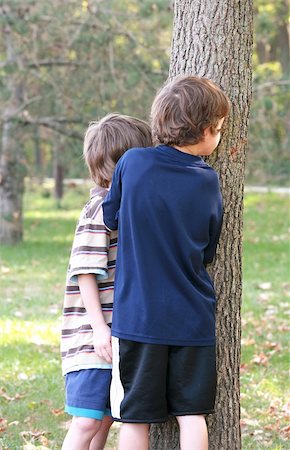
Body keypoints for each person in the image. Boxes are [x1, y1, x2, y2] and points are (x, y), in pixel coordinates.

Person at [102, 76, 231, 450]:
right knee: (192, 414)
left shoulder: (132, 162)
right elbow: (208, 249)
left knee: (135, 418)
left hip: (138, 320)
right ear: (206, 131)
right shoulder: (207, 180)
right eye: (219, 130)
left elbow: (111, 216)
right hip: (192, 319)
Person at [60, 113, 152, 450]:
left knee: (105, 419)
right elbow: (85, 273)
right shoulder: (98, 209)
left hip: (118, 337)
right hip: (90, 337)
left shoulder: (126, 207)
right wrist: (100, 329)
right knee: (86, 420)